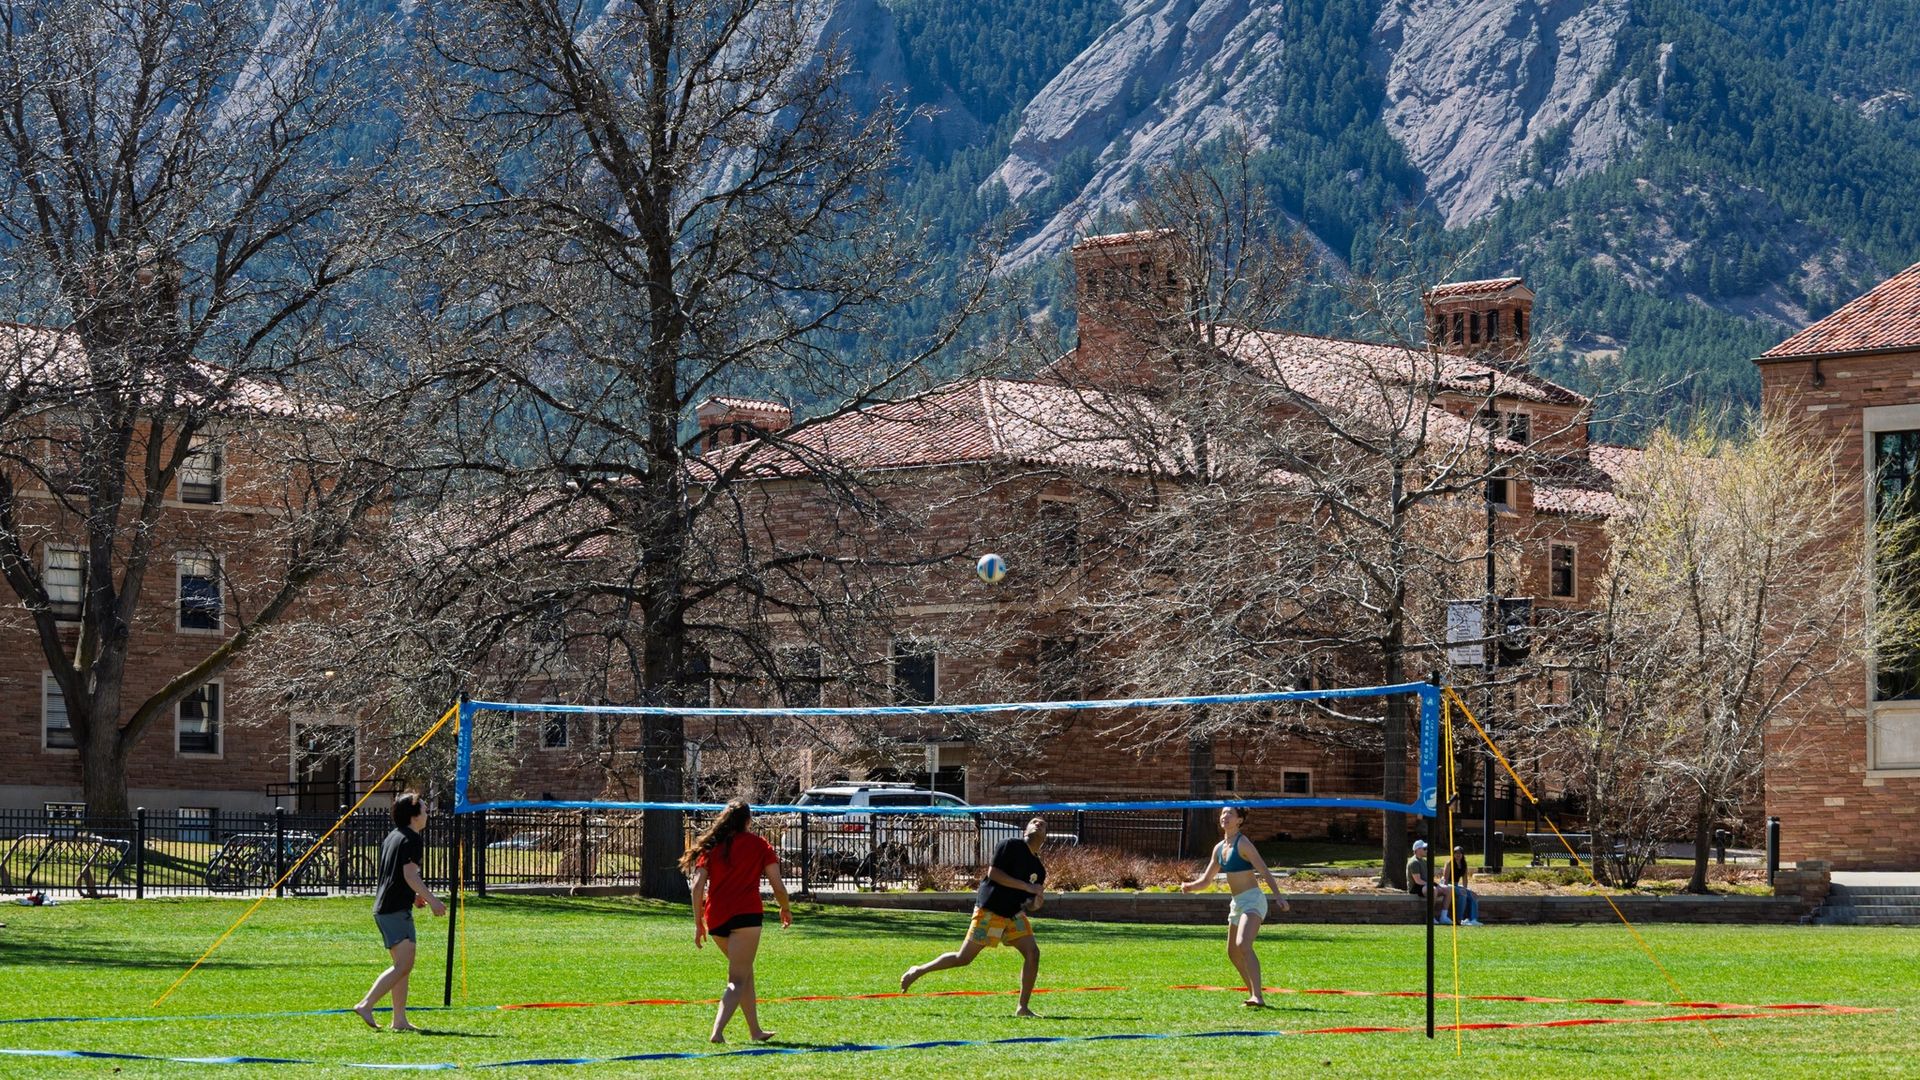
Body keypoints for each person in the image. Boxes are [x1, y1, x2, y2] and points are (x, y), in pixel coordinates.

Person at [899, 816, 1048, 1016]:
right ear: (1025, 830)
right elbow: (994, 873)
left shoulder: (1038, 869)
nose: (1037, 824)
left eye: (1042, 824)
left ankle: (1023, 1007)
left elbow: (1029, 903)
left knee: (1033, 953)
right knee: (963, 958)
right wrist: (1027, 886)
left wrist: (1036, 902)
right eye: (1034, 821)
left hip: (1013, 914)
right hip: (991, 909)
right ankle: (918, 970)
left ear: (1045, 837)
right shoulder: (1010, 845)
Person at [683, 799, 791, 1044]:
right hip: (746, 916)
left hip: (716, 919)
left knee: (744, 973)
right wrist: (785, 908)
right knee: (737, 980)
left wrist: (699, 922)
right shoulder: (760, 845)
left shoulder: (713, 846)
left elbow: (696, 887)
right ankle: (717, 1032)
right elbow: (778, 886)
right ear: (747, 820)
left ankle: (755, 1030)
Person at [1180, 805, 1289, 1007]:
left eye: (1230, 813)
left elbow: (1264, 870)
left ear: (1239, 820)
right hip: (1237, 903)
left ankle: (1258, 996)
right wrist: (1190, 886)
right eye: (1223, 813)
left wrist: (1278, 897)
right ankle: (1253, 993)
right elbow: (1206, 881)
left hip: (1253, 900)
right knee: (1232, 952)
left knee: (1243, 944)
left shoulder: (1243, 843)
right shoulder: (1219, 848)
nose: (1225, 816)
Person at [354, 791, 445, 1031]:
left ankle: (400, 1020)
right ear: (414, 816)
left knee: (401, 967)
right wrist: (433, 900)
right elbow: (409, 874)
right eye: (425, 809)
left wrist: (413, 896)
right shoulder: (412, 839)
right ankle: (366, 1004)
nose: (427, 813)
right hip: (393, 910)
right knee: (404, 965)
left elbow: (394, 876)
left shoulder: (394, 836)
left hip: (388, 907)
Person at [1404, 838, 1453, 925]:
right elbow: (1418, 881)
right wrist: (1433, 885)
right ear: (1417, 850)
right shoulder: (1413, 862)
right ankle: (1430, 917)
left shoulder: (1424, 861)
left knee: (1449, 889)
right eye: (1424, 849)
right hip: (1416, 887)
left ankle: (1443, 917)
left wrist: (1437, 884)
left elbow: (1428, 878)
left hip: (1425, 885)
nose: (1426, 850)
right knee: (1433, 889)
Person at [1440, 845, 1484, 925]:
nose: (1458, 854)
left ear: (1462, 854)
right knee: (1463, 894)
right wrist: (1446, 890)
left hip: (1456, 885)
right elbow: (1445, 879)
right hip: (1447, 884)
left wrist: (1465, 889)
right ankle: (1459, 920)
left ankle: (1473, 919)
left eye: (1460, 853)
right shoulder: (1449, 863)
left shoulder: (1464, 864)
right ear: (1453, 854)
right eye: (1456, 853)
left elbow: (1465, 879)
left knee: (1473, 895)